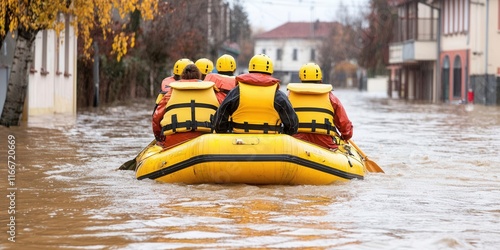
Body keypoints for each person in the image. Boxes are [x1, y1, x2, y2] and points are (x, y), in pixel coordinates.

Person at [212, 54, 298, 135]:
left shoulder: (236, 92)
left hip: (239, 142)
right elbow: (292, 126)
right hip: (271, 144)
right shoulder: (278, 95)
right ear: (271, 71)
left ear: (250, 70)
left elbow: (219, 123)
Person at [287, 63, 353, 150]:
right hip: (324, 143)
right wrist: (345, 136)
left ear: (301, 78)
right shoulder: (330, 97)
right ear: (320, 79)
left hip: (296, 141)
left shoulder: (289, 96)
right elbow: (345, 126)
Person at [152, 64, 220, 149]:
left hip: (175, 140)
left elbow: (156, 117)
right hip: (206, 140)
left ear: (182, 76)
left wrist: (159, 138)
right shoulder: (212, 91)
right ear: (199, 76)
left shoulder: (171, 93)